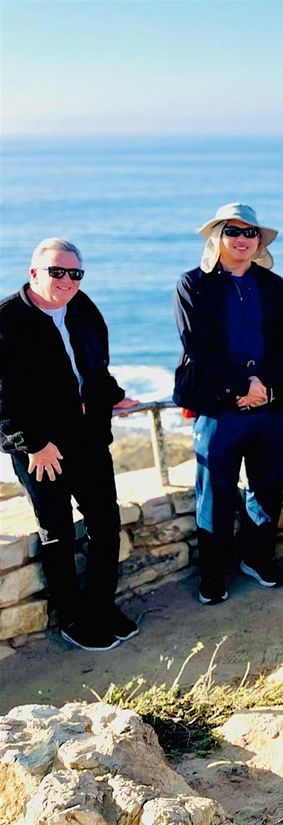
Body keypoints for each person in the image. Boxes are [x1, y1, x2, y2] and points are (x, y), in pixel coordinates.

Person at [0, 238, 141, 651]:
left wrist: (113, 396)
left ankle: (102, 606)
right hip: (43, 450)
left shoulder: (83, 308)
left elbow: (94, 366)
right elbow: (2, 398)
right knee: (57, 532)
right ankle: (74, 618)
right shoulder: (7, 321)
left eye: (74, 273)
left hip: (89, 439)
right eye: (56, 272)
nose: (66, 281)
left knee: (105, 523)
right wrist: (33, 444)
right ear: (34, 274)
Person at [174, 203, 283, 605]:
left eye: (251, 233)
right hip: (219, 406)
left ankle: (256, 557)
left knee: (266, 486)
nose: (243, 239)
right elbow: (197, 345)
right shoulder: (193, 284)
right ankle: (212, 573)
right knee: (215, 490)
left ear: (259, 240)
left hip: (270, 402)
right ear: (218, 236)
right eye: (233, 231)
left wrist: (261, 383)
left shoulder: (273, 285)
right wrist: (239, 387)